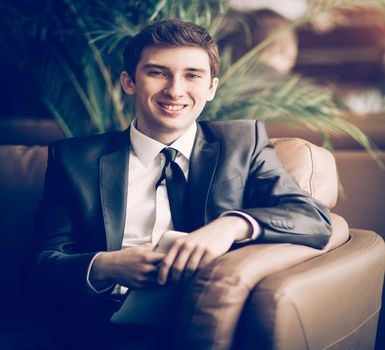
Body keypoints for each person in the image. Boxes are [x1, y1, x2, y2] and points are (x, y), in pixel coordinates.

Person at [4, 19, 331, 350]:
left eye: (192, 75)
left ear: (212, 87)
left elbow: (313, 218)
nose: (175, 90)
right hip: (80, 325)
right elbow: (41, 266)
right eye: (158, 72)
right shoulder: (75, 159)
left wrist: (230, 227)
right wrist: (107, 265)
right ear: (129, 81)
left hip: (187, 325)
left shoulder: (244, 143)